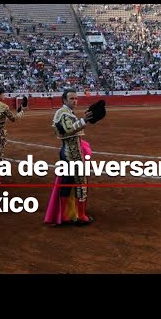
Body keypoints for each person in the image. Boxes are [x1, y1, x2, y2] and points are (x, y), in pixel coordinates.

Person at [44, 91, 106, 226]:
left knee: (67, 182)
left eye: (76, 98)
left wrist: (84, 120)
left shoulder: (66, 113)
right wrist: (84, 120)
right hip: (72, 153)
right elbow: (68, 130)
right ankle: (81, 216)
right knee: (81, 182)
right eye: (71, 98)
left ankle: (65, 216)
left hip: (68, 151)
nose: (75, 101)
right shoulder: (63, 113)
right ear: (64, 100)